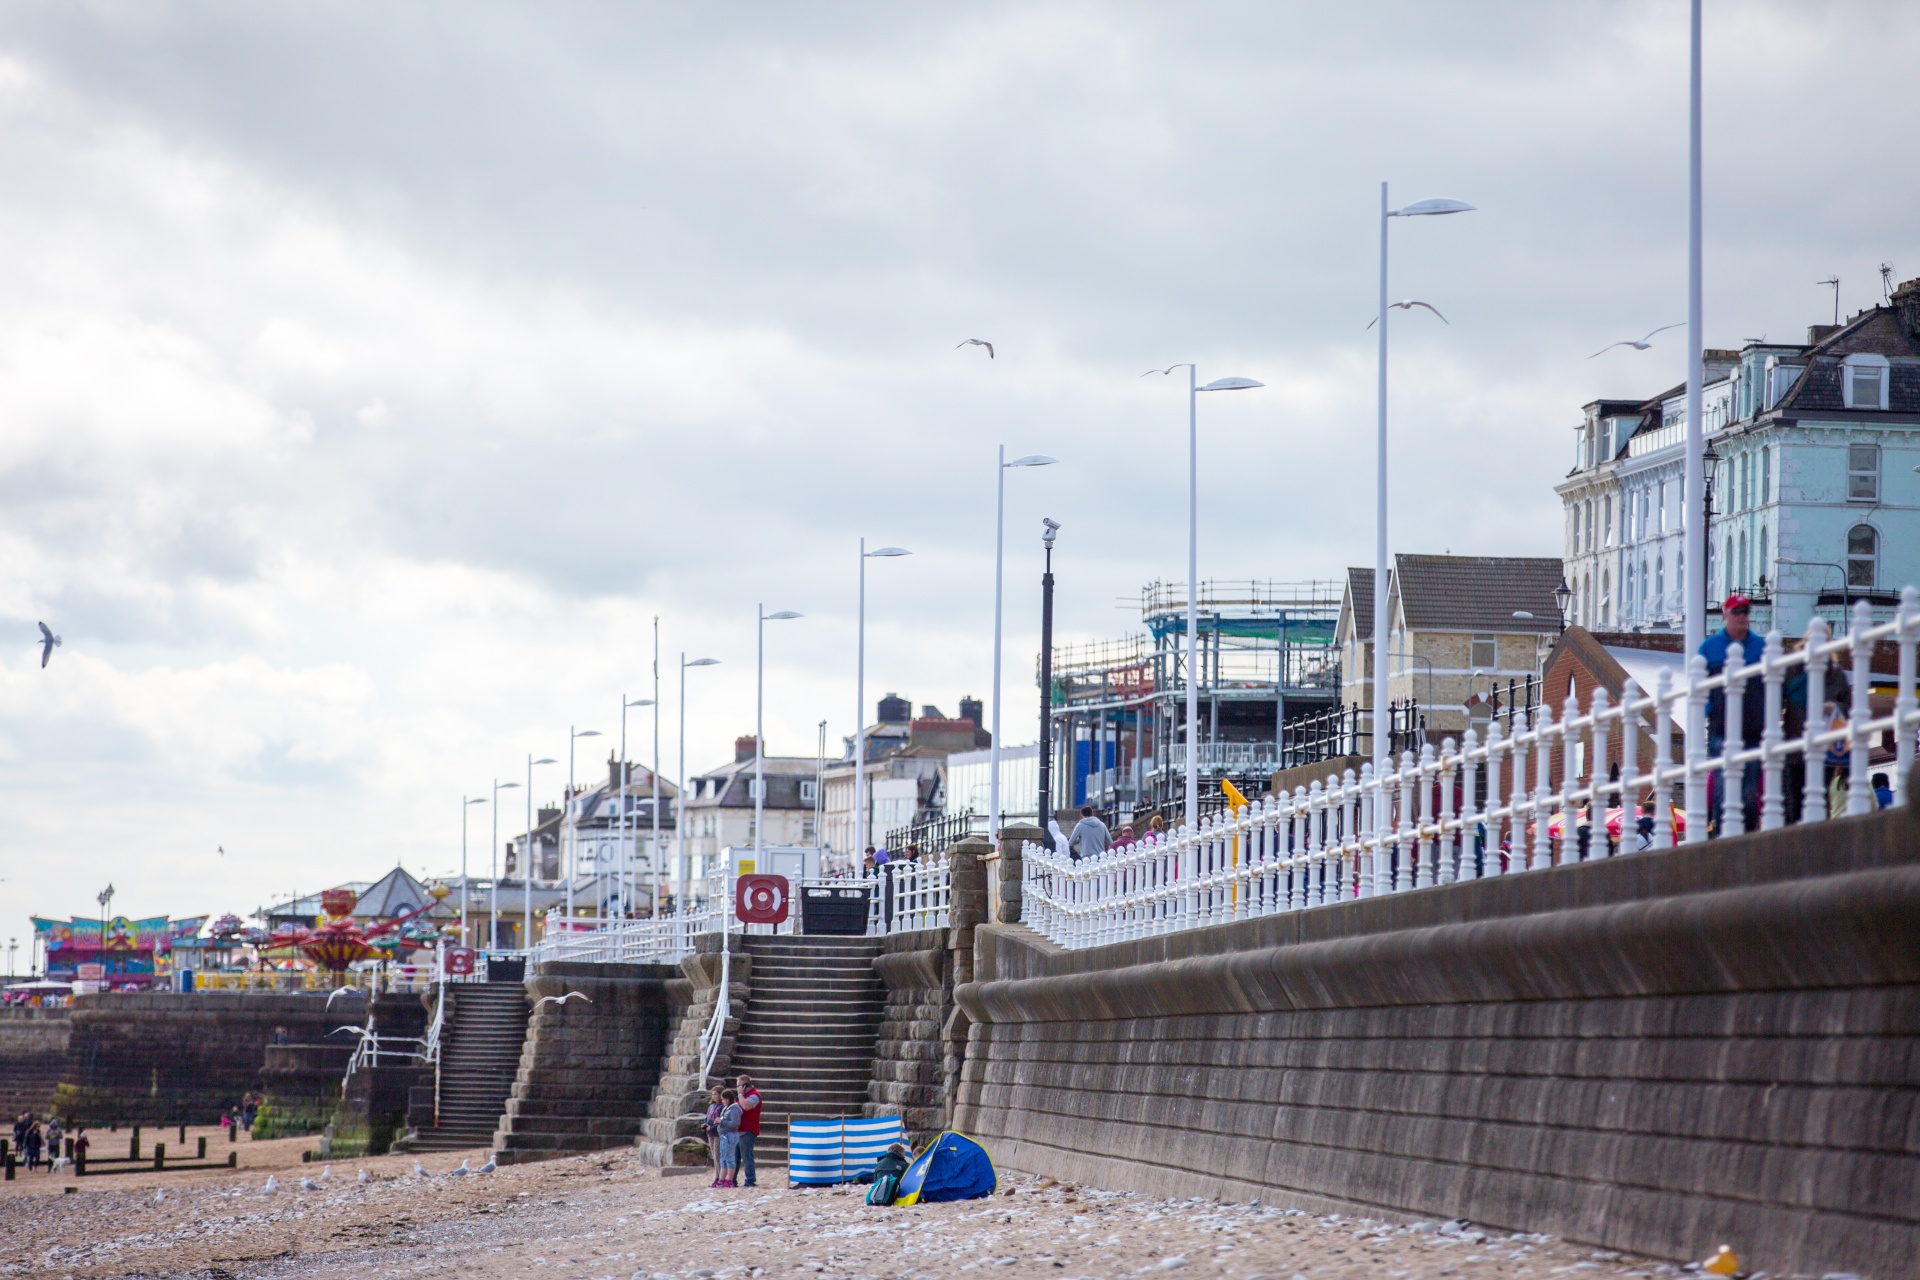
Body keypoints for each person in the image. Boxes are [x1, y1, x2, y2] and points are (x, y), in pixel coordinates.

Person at [1699, 594, 1765, 834]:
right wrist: (1712, 712)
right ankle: (1721, 834)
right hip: (1721, 729)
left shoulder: (1761, 646)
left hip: (1753, 730)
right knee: (1722, 787)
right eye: (1736, 611)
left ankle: (1746, 835)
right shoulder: (1710, 648)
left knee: (1749, 790)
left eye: (1745, 611)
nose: (1741, 617)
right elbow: (1699, 686)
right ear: (1725, 615)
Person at [735, 1074, 761, 1189]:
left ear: (745, 1086)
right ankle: (732, 1179)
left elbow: (746, 1106)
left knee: (747, 1156)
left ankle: (750, 1179)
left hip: (748, 1130)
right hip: (738, 1130)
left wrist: (740, 1095)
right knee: (734, 1156)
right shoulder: (742, 1096)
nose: (737, 1088)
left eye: (739, 1086)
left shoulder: (755, 1096)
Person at [867, 1142, 911, 1206]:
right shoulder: (904, 1165)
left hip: (878, 1195)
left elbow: (875, 1182)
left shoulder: (879, 1163)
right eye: (904, 1154)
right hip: (894, 1196)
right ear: (901, 1153)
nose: (904, 1157)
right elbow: (907, 1183)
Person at [714, 1088, 743, 1188]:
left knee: (729, 1158)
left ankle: (729, 1180)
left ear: (728, 1099)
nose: (722, 1101)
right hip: (724, 1135)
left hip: (730, 1135)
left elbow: (735, 1123)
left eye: (723, 1099)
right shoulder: (726, 1108)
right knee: (723, 1158)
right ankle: (721, 1179)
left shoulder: (734, 1109)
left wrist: (722, 1122)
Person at [701, 1085, 724, 1172]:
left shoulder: (721, 1107)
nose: (713, 1096)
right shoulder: (711, 1106)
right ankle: (717, 1176)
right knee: (714, 1156)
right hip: (710, 1134)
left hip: (717, 1134)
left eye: (715, 1094)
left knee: (718, 1156)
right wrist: (705, 1124)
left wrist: (712, 1127)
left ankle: (720, 1177)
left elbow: (721, 1121)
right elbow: (707, 1118)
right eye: (712, 1094)